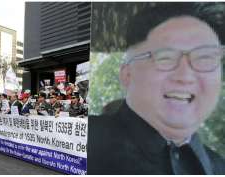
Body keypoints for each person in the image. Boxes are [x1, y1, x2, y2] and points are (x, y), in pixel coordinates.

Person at [88, 3, 225, 175]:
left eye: (205, 58)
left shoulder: (218, 166)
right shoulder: (82, 142)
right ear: (127, 75)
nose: (185, 76)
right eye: (165, 57)